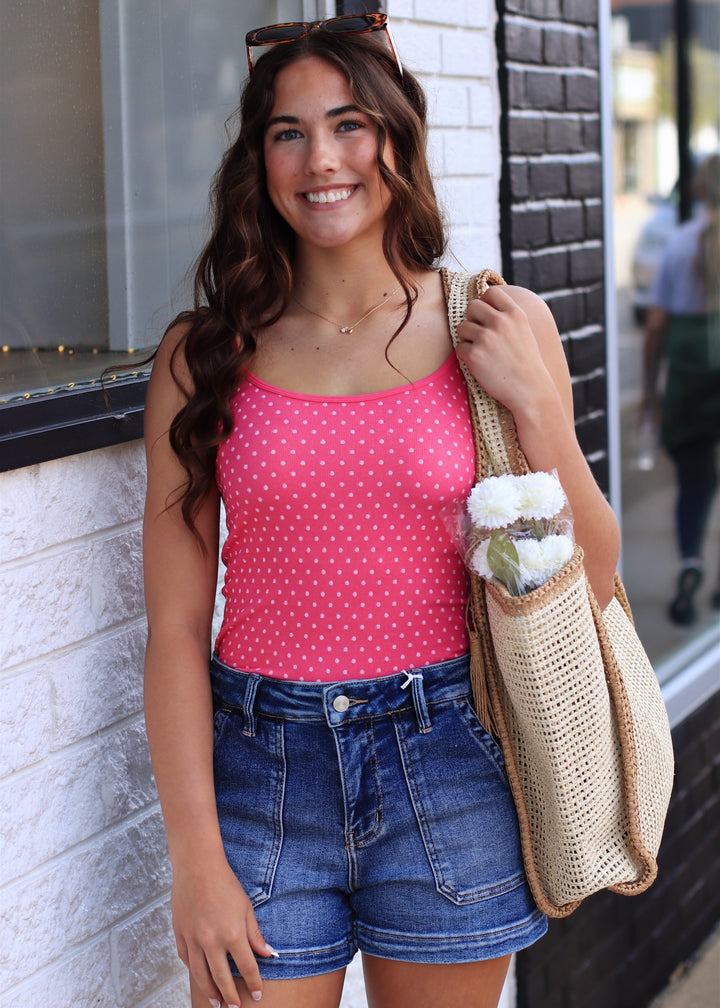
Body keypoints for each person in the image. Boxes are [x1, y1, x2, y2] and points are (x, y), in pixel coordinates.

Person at [142, 15, 620, 1008]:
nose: (321, 159)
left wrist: (538, 409)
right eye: (288, 132)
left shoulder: (495, 322)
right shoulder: (205, 355)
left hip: (449, 759)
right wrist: (195, 859)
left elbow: (595, 576)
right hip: (264, 774)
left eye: (349, 124)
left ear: (397, 136)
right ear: (258, 159)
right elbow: (176, 630)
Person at [642, 153, 720, 625]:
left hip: (691, 376)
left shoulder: (680, 244)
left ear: (699, 190)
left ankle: (691, 561)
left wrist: (650, 390)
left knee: (695, 478)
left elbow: (655, 326)